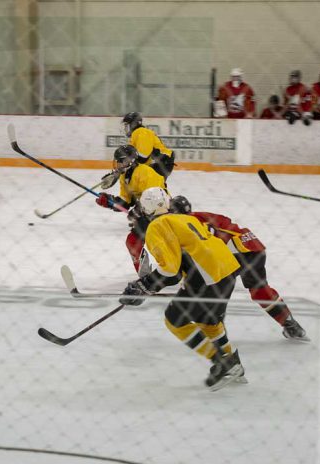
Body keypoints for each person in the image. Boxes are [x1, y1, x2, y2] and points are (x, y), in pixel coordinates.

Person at [119, 187, 245, 391]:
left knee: (175, 319)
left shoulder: (156, 226)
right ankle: (233, 363)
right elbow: (176, 272)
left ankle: (222, 363)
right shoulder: (185, 218)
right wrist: (147, 287)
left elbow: (170, 270)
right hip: (227, 270)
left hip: (205, 276)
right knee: (209, 321)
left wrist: (144, 285)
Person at [169, 195, 308, 341]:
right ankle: (291, 325)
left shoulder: (181, 226)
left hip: (234, 255)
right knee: (259, 289)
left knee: (216, 289)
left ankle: (217, 335)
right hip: (253, 246)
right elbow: (225, 221)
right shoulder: (202, 215)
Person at [96, 145, 166, 273]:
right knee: (133, 241)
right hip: (147, 213)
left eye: (120, 161)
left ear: (130, 161)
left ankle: (168, 268)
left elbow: (154, 197)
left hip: (162, 212)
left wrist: (137, 211)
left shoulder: (145, 172)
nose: (118, 164)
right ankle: (145, 274)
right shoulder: (125, 177)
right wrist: (110, 201)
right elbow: (125, 202)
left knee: (150, 242)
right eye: (117, 161)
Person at [119, 112, 174, 178]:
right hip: (162, 162)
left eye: (126, 125)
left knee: (136, 178)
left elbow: (143, 158)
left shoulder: (141, 132)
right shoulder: (137, 134)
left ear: (133, 124)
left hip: (162, 162)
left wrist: (128, 163)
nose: (125, 128)